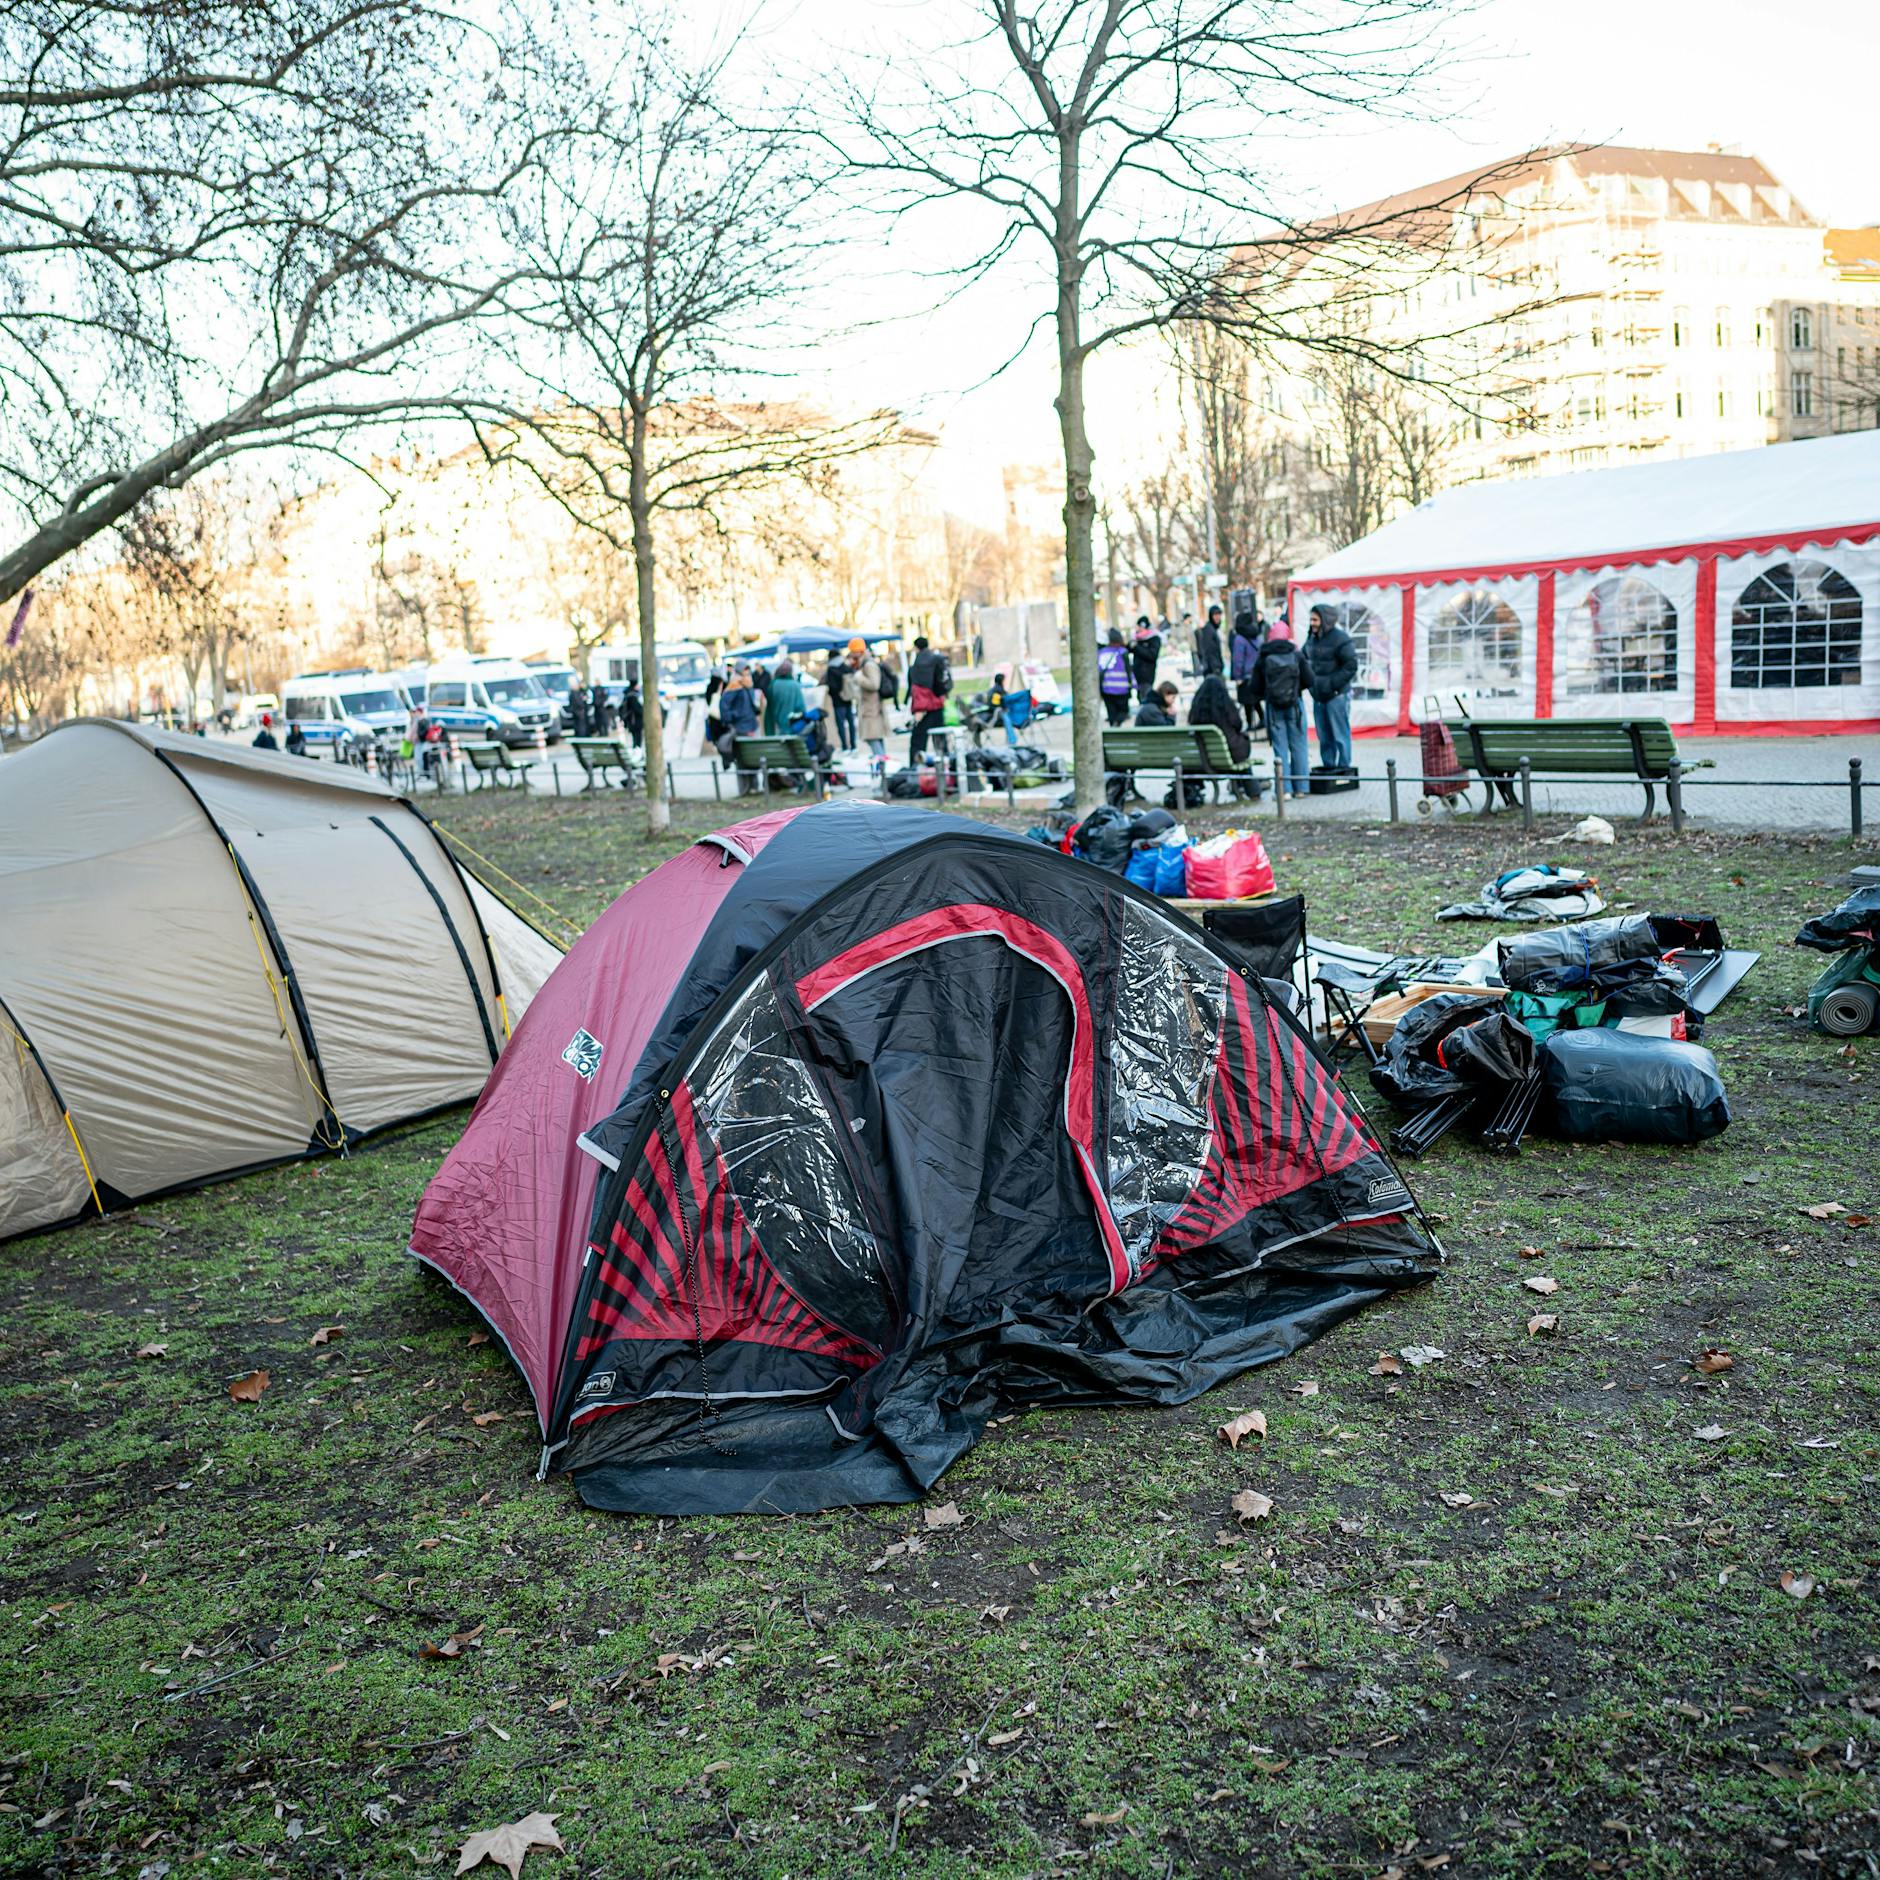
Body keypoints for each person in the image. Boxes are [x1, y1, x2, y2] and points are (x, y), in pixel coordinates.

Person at [1249, 618, 1309, 798]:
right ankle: (1302, 788)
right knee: (1299, 746)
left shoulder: (1263, 657)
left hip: (1273, 708)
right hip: (1295, 706)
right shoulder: (1296, 654)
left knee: (1280, 748)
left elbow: (1255, 687)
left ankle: (1284, 791)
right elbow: (1310, 680)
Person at [1304, 605, 1359, 772]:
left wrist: (1331, 684)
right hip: (1319, 696)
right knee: (1324, 736)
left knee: (1340, 734)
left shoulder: (1340, 639)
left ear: (1325, 620)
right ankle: (1328, 767)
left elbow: (1351, 665)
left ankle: (1344, 768)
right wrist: (1312, 685)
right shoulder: (1311, 639)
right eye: (1311, 619)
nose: (1312, 623)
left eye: (1315, 619)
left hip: (1336, 695)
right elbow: (1304, 659)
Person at [1188, 673, 1257, 800]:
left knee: (1236, 748)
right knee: (1241, 748)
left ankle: (1241, 787)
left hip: (1203, 757)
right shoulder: (1226, 706)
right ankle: (1253, 792)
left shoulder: (1196, 711)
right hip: (1231, 754)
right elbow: (1238, 725)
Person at [906, 634, 951, 767]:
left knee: (918, 742)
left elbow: (918, 689)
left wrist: (919, 709)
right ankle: (946, 768)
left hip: (924, 709)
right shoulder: (936, 660)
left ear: (916, 648)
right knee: (940, 741)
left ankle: (916, 770)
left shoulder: (918, 665)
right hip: (938, 706)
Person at [851, 639, 890, 771]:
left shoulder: (869, 665)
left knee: (874, 740)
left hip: (872, 710)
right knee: (875, 741)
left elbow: (874, 684)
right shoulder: (864, 664)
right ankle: (883, 771)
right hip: (870, 709)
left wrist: (858, 678)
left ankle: (883, 772)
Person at [1230, 609, 1264, 733]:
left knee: (1246, 702)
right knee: (1255, 700)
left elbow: (1238, 659)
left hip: (1245, 675)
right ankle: (1262, 719)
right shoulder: (1255, 635)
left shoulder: (1239, 638)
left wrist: (1237, 676)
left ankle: (1250, 724)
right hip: (1256, 674)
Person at [764, 659, 806, 736]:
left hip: (775, 728)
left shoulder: (773, 684)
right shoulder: (795, 685)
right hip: (791, 729)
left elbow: (769, 706)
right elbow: (801, 708)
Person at [824, 651, 855, 753]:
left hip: (838, 701)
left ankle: (845, 746)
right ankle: (853, 745)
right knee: (851, 723)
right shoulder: (845, 667)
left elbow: (832, 686)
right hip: (848, 699)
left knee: (841, 724)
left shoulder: (831, 669)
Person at [1130, 617, 1161, 702]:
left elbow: (1152, 655)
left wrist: (1137, 647)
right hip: (1137, 674)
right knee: (1140, 697)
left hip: (1147, 674)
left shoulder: (1154, 639)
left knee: (1146, 697)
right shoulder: (1135, 638)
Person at [1197, 603, 1225, 678]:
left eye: (1219, 615)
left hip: (1215, 667)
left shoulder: (1213, 629)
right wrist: (1215, 668)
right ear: (1211, 616)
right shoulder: (1208, 629)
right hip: (1212, 669)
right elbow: (1209, 651)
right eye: (1215, 615)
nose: (1217, 617)